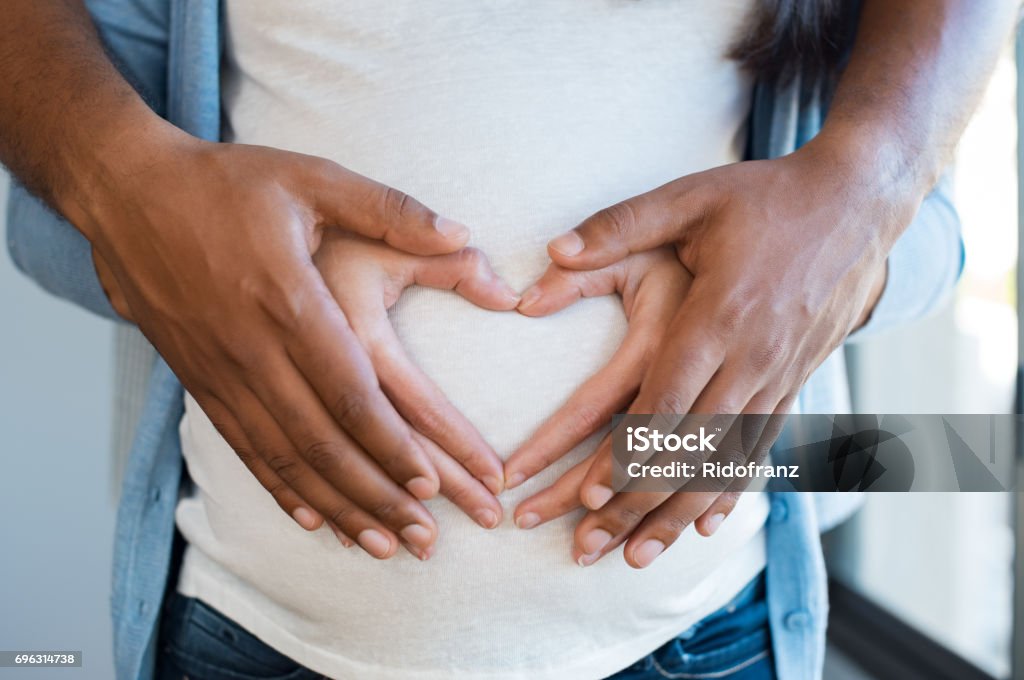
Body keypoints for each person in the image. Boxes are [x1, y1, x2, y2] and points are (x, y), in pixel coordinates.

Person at [1, 1, 1014, 678]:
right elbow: (54, 218)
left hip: (701, 635)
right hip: (257, 633)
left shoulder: (901, 74)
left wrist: (806, 286)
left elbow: (931, 237)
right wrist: (259, 278)